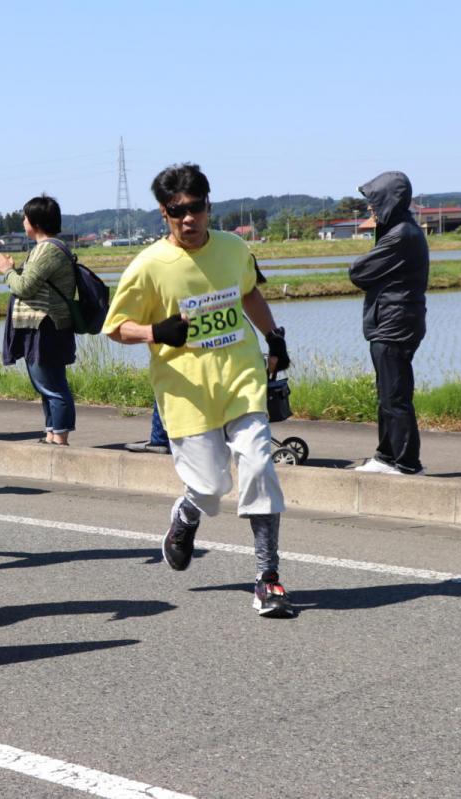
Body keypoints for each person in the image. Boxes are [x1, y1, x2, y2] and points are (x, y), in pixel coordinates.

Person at [103, 162, 294, 618]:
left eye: (195, 208)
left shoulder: (234, 248)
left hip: (241, 378)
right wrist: (156, 332)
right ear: (163, 213)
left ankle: (267, 578)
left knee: (260, 467)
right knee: (210, 489)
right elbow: (115, 327)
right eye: (176, 211)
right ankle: (186, 515)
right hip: (186, 392)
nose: (188, 219)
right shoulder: (149, 266)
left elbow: (249, 293)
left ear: (209, 205)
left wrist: (274, 338)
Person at [349, 171, 428, 476]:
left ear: (388, 200)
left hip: (395, 322)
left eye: (374, 200)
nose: (370, 206)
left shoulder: (401, 235)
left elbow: (358, 272)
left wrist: (369, 271)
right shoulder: (398, 230)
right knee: (387, 393)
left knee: (395, 395)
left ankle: (407, 463)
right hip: (392, 319)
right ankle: (386, 456)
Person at [0, 195, 78, 445]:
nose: (23, 222)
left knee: (52, 385)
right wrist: (15, 271)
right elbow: (34, 284)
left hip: (45, 326)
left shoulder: (47, 250)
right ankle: (51, 434)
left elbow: (24, 287)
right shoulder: (46, 249)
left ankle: (60, 438)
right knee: (45, 384)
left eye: (25, 218)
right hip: (42, 325)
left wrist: (7, 270)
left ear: (36, 222)